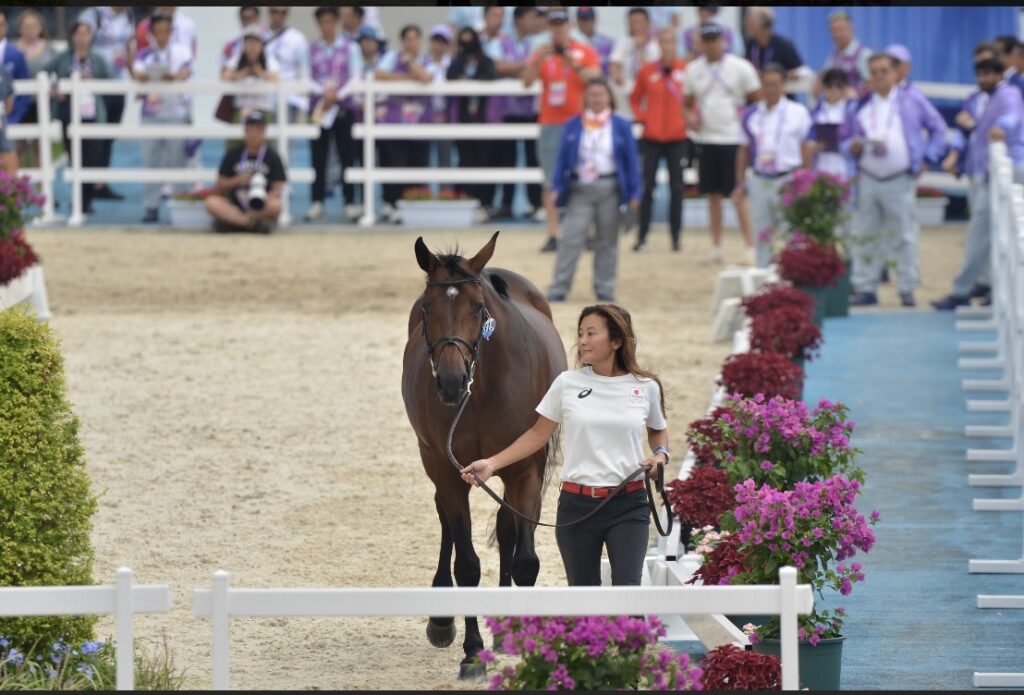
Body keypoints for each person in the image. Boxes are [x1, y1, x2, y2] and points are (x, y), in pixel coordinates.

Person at [460, 303, 669, 588]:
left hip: (628, 505)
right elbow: (536, 435)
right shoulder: (567, 383)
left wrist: (660, 455)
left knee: (629, 593)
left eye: (592, 333)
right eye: (580, 333)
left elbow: (657, 429)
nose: (582, 341)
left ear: (617, 340)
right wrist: (492, 463)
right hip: (576, 506)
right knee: (584, 600)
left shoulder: (646, 387)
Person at [844, 53, 947, 308]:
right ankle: (866, 286)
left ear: (895, 73)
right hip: (868, 176)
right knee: (866, 232)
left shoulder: (911, 100)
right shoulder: (862, 104)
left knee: (903, 234)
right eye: (874, 72)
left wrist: (928, 158)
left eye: (883, 71)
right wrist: (853, 147)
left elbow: (938, 128)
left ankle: (906, 286)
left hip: (898, 177)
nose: (878, 76)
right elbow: (846, 137)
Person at [932, 58, 1024, 311]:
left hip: (1007, 169)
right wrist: (955, 154)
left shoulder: (1008, 94)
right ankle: (992, 287)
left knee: (987, 231)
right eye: (980, 74)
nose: (983, 79)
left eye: (987, 75)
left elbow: (1013, 116)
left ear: (998, 75)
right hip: (985, 170)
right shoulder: (977, 97)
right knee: (993, 233)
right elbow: (965, 130)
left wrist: (1002, 129)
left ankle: (964, 290)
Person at [546, 78, 641, 303]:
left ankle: (604, 287)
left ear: (609, 97)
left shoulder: (621, 125)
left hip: (610, 188)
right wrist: (556, 186)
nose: (596, 99)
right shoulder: (573, 124)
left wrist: (635, 192)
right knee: (571, 238)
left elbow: (632, 161)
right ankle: (560, 286)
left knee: (608, 241)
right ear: (585, 98)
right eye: (592, 95)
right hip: (580, 189)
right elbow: (561, 159)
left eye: (601, 94)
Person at [523, 8, 602, 253]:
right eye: (554, 25)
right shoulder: (542, 52)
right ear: (550, 28)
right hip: (550, 122)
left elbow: (596, 79)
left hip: (578, 122)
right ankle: (552, 234)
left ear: (569, 26)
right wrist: (537, 61)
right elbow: (526, 81)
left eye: (562, 25)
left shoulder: (583, 51)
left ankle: (586, 233)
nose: (558, 29)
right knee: (550, 181)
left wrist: (574, 64)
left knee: (584, 176)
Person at [683, 22, 761, 265]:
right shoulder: (694, 69)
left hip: (734, 137)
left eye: (715, 39)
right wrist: (691, 119)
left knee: (738, 192)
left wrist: (747, 127)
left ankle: (750, 246)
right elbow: (686, 102)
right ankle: (716, 246)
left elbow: (756, 101)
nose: (711, 44)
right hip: (707, 138)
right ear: (701, 44)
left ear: (723, 41)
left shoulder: (741, 67)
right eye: (706, 40)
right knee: (712, 194)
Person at [738, 64, 814, 268]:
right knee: (762, 231)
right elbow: (743, 149)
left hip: (787, 177)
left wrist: (805, 178)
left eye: (775, 84)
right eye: (766, 85)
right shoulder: (751, 114)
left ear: (783, 86)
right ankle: (764, 272)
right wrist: (739, 182)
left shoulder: (797, 112)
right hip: (760, 177)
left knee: (791, 228)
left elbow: (806, 146)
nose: (771, 89)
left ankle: (793, 271)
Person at [630, 27, 688, 253]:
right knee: (647, 188)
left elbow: (694, 99)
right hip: (652, 138)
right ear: (658, 44)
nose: (667, 45)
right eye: (664, 41)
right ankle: (642, 237)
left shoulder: (685, 70)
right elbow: (635, 99)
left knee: (677, 188)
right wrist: (644, 118)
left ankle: (676, 238)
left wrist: (686, 120)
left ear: (676, 44)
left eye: (671, 41)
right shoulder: (646, 71)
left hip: (677, 138)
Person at [131, 10, 192, 224]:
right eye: (158, 32)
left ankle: (182, 205)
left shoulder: (181, 51)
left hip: (176, 112)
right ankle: (151, 206)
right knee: (151, 161)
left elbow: (185, 72)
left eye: (165, 31)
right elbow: (138, 74)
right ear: (152, 33)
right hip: (152, 114)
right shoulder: (145, 54)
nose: (162, 36)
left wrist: (167, 77)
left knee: (178, 160)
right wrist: (159, 76)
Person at [45, 20, 111, 215]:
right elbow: (45, 74)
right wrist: (55, 88)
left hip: (92, 114)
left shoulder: (97, 60)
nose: (82, 38)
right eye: (78, 33)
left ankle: (85, 201)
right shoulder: (63, 58)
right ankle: (78, 199)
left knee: (91, 158)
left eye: (86, 33)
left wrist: (95, 83)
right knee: (74, 158)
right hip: (69, 113)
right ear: (72, 36)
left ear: (91, 37)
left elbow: (109, 82)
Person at [304, 6, 363, 224]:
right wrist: (324, 94)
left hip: (343, 109)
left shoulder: (350, 47)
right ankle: (317, 201)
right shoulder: (311, 49)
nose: (327, 26)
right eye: (323, 22)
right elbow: (306, 76)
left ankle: (349, 202)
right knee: (318, 156)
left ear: (337, 22)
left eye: (330, 21)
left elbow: (356, 77)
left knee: (348, 156)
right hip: (320, 109)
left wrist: (336, 95)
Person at [487, 7, 542, 220]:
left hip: (531, 109)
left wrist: (518, 68)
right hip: (506, 109)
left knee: (532, 158)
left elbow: (540, 68)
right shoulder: (500, 42)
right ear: (518, 19)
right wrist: (528, 65)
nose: (535, 21)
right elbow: (497, 66)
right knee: (505, 158)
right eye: (531, 16)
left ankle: (535, 203)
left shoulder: (537, 43)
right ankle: (505, 204)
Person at [377, 24, 432, 224]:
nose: (411, 43)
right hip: (394, 124)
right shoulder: (391, 57)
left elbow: (426, 78)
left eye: (415, 39)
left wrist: (411, 64)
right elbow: (379, 75)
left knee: (417, 167)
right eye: (407, 39)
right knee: (394, 166)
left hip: (420, 125)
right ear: (402, 42)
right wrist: (410, 77)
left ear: (420, 41)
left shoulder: (427, 60)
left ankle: (415, 206)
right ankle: (393, 204)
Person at [447, 27, 498, 224]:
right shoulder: (457, 62)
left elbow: (490, 75)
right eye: (463, 43)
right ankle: (467, 199)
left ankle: (484, 202)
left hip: (484, 120)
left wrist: (469, 80)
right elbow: (450, 75)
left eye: (470, 43)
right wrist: (460, 57)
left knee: (485, 161)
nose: (467, 47)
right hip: (464, 120)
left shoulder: (485, 61)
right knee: (465, 160)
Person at [205, 111, 287, 234]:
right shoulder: (233, 154)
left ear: (263, 133)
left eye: (257, 130)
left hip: (260, 205)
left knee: (276, 206)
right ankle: (250, 223)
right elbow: (220, 183)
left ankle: (235, 223)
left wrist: (265, 196)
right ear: (245, 132)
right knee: (211, 203)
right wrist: (237, 180)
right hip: (236, 204)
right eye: (250, 130)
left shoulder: (272, 156)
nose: (253, 134)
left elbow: (279, 186)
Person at [13, 10, 57, 172]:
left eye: (33, 26)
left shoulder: (49, 50)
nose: (30, 30)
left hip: (41, 104)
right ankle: (12, 188)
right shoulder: (12, 50)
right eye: (26, 26)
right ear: (20, 28)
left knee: (41, 146)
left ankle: (43, 190)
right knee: (17, 146)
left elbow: (55, 74)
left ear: (40, 28)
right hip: (19, 104)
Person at [221, 27, 280, 127]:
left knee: (268, 137)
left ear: (261, 45)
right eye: (249, 42)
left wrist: (260, 73)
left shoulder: (269, 60)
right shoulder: (237, 59)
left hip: (263, 107)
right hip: (240, 106)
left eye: (255, 42)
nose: (252, 46)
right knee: (235, 138)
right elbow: (225, 77)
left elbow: (277, 78)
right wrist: (243, 73)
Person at [609, 8, 660, 119]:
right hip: (626, 94)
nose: (636, 26)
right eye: (633, 22)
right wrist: (617, 75)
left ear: (647, 23)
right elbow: (614, 64)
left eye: (639, 22)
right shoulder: (623, 42)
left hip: (646, 96)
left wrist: (640, 50)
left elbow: (652, 71)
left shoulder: (655, 46)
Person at [263, 7, 309, 123]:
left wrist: (301, 97)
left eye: (283, 12)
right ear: (269, 12)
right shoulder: (259, 35)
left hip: (289, 98)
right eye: (274, 11)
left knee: (285, 139)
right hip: (264, 97)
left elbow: (305, 73)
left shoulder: (297, 38)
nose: (278, 15)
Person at [810, 68, 855, 181]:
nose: (834, 90)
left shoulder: (852, 111)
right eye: (830, 85)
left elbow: (858, 136)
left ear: (845, 88)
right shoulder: (816, 112)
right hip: (821, 163)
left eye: (838, 86)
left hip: (844, 165)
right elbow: (809, 138)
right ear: (824, 87)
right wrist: (814, 146)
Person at [819, 11, 871, 100]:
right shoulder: (833, 56)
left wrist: (856, 93)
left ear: (852, 29)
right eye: (834, 31)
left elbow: (872, 84)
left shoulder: (863, 54)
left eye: (841, 30)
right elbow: (824, 77)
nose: (838, 34)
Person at [423, 24, 453, 174]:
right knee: (423, 157)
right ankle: (420, 193)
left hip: (446, 116)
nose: (438, 45)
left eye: (443, 41)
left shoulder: (452, 64)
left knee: (445, 158)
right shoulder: (422, 63)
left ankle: (445, 193)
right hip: (425, 116)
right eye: (436, 40)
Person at [742, 7, 803, 78]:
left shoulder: (783, 45)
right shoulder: (750, 44)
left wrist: (781, 76)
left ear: (763, 26)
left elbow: (802, 71)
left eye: (750, 24)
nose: (746, 26)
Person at [0, 10, 30, 127]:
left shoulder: (17, 54)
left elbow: (25, 90)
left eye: (1, 25)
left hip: (8, 115)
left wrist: (13, 118)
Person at [575, 7, 615, 78]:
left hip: (604, 84)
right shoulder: (572, 43)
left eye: (588, 19)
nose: (585, 23)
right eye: (582, 19)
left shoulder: (608, 43)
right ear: (577, 22)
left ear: (595, 20)